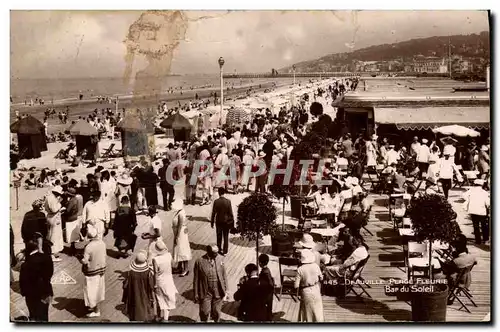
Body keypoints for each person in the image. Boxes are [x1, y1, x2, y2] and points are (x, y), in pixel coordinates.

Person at [19, 238, 54, 322]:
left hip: (31, 295)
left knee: (33, 315)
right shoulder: (47, 259)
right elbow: (50, 274)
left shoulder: (25, 265)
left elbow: (22, 282)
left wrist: (24, 293)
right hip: (45, 292)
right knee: (44, 316)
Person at [193, 244, 228, 322]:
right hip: (206, 291)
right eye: (215, 253)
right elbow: (196, 279)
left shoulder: (220, 259)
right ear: (208, 252)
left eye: (217, 252)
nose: (217, 254)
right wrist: (196, 293)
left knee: (217, 312)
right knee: (204, 311)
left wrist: (226, 290)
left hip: (218, 290)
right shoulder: (199, 261)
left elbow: (224, 275)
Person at [439, 237, 477, 305]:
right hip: (467, 280)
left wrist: (439, 261)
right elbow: (474, 262)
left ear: (457, 249)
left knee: (436, 277)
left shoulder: (456, 261)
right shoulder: (472, 257)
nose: (453, 250)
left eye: (454, 248)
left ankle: (441, 296)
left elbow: (445, 270)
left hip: (458, 282)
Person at [122, 251, 156, 322]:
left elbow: (127, 284)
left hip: (135, 291)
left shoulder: (131, 273)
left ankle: (136, 316)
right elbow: (151, 284)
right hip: (145, 291)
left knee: (136, 302)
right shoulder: (148, 272)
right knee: (145, 302)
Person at [294, 250, 324, 322]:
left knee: (307, 311)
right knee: (317, 310)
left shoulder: (300, 269)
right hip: (316, 289)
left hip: (306, 291)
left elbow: (296, 285)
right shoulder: (316, 266)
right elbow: (321, 278)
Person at [152, 241, 178, 321]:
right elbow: (175, 266)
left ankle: (158, 316)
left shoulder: (155, 259)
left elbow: (156, 273)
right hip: (169, 280)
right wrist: (175, 256)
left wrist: (155, 284)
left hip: (160, 281)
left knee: (159, 298)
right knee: (168, 298)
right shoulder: (169, 256)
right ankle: (166, 318)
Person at [462, 180, 490, 245]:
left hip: (473, 210)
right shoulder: (484, 192)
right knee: (484, 226)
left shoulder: (471, 191)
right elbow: (488, 203)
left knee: (476, 226)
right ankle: (485, 239)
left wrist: (468, 199)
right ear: (482, 185)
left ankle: (478, 241)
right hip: (482, 211)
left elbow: (464, 195)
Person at [210, 187, 234, 256]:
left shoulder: (216, 201)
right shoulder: (228, 201)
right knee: (226, 237)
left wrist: (212, 222)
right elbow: (231, 213)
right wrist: (232, 224)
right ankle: (225, 251)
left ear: (218, 193)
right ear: (224, 193)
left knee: (219, 236)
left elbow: (213, 213)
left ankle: (219, 249)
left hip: (219, 222)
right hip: (226, 222)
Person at [171, 198, 192, 276]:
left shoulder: (181, 213)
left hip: (181, 234)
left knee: (183, 250)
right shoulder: (179, 212)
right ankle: (179, 267)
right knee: (178, 250)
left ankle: (185, 269)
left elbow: (180, 225)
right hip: (179, 233)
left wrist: (177, 236)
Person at [44, 186, 65, 262]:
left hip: (49, 217)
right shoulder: (53, 199)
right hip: (54, 218)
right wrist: (60, 205)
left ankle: (51, 251)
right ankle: (52, 254)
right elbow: (54, 209)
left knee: (50, 235)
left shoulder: (48, 197)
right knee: (54, 236)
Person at [62, 187, 83, 255]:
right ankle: (73, 247)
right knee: (73, 234)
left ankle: (72, 249)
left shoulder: (72, 201)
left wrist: (63, 211)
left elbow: (68, 210)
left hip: (70, 218)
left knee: (70, 234)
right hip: (75, 217)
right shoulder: (76, 199)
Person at [258, 254, 275, 321]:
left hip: (266, 292)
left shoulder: (265, 272)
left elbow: (269, 282)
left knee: (265, 305)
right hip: (269, 291)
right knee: (269, 306)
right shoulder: (267, 270)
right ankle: (269, 317)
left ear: (260, 263)